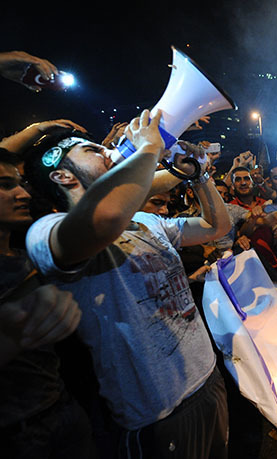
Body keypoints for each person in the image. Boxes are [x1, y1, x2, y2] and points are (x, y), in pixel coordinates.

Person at [23, 110, 232, 458]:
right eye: (91, 151)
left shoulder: (145, 220)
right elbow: (103, 220)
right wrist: (149, 148)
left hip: (207, 382)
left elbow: (216, 227)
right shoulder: (45, 232)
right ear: (62, 175)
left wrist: (199, 175)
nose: (106, 152)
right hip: (157, 414)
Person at [0, 149, 93, 458]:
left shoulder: (25, 253)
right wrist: (12, 334)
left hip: (61, 408)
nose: (22, 193)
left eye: (21, 183)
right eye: (5, 184)